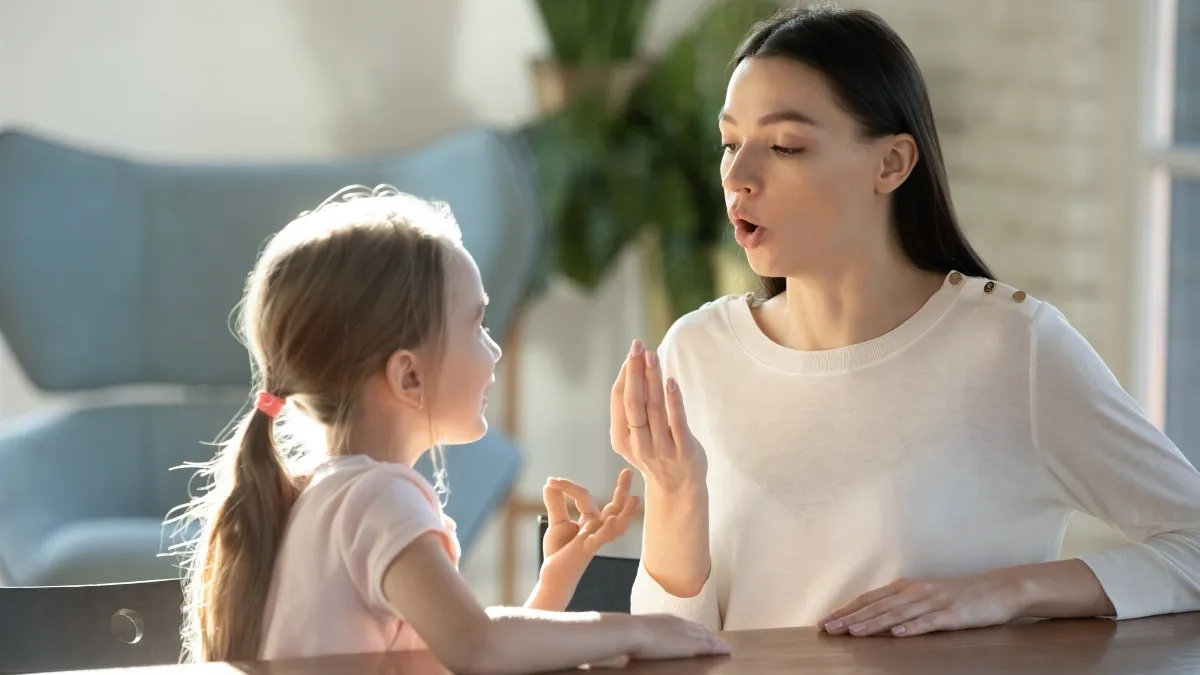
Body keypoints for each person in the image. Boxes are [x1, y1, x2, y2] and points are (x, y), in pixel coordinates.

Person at [612, 4, 1200, 638]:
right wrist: (674, 495)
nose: (737, 175)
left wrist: (1017, 589)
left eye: (785, 146)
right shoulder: (697, 354)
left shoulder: (1009, 347)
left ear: (891, 164)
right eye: (730, 143)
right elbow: (667, 648)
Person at [175, 185, 729, 672]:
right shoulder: (377, 498)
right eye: (477, 323)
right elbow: (477, 647)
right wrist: (637, 629)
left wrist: (556, 582)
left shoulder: (322, 497)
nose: (493, 350)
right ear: (408, 375)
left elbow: (467, 656)